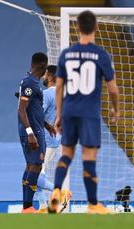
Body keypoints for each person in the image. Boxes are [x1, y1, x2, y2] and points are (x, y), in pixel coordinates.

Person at [48, 10, 119, 214]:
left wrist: (59, 115)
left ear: (77, 28)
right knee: (89, 157)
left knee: (66, 154)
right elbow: (113, 88)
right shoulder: (101, 54)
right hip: (89, 113)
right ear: (95, 27)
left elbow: (59, 87)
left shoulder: (66, 54)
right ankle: (93, 204)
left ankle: (55, 191)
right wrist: (115, 109)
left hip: (69, 111)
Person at [18, 52, 55, 214]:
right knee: (36, 165)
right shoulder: (30, 83)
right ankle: (27, 206)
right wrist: (30, 132)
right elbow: (21, 109)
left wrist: (46, 125)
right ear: (43, 67)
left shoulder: (31, 82)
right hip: (33, 131)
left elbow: (33, 107)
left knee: (31, 165)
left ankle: (27, 206)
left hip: (37, 128)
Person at [35, 65, 71, 213]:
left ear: (50, 77)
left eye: (45, 75)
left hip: (46, 140)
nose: (43, 77)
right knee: (36, 172)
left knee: (34, 175)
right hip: (55, 139)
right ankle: (43, 206)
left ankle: (62, 193)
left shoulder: (47, 94)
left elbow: (38, 115)